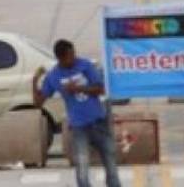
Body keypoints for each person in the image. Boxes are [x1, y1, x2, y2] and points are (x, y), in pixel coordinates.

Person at [33, 39, 122, 187]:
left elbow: (100, 89)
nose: (74, 57)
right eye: (70, 56)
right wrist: (34, 81)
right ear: (60, 58)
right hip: (79, 126)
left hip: (98, 121)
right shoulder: (54, 76)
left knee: (110, 162)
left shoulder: (85, 65)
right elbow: (38, 103)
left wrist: (79, 89)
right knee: (82, 167)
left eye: (74, 53)